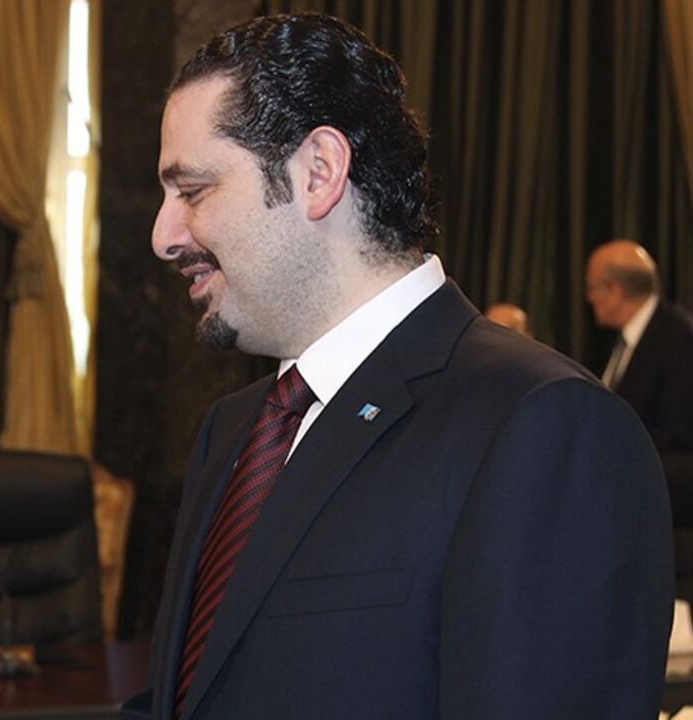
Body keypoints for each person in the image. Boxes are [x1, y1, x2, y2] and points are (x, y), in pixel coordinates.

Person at [126, 14, 672, 719]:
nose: (162, 236)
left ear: (318, 173)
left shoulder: (545, 425)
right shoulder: (230, 431)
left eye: (193, 191)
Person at [586, 239, 693, 452]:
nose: (589, 298)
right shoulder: (621, 340)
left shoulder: (680, 339)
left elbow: (678, 434)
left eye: (591, 288)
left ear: (615, 291)